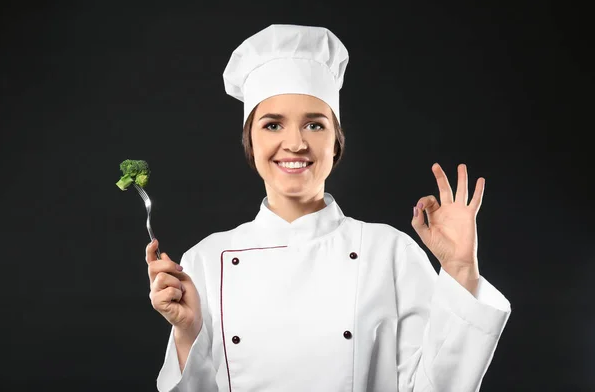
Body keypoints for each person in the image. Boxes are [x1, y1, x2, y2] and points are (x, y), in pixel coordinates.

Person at [146, 24, 511, 392]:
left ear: (335, 144)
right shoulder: (206, 261)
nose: (295, 143)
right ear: (250, 143)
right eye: (272, 125)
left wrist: (461, 270)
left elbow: (436, 387)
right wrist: (187, 335)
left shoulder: (389, 252)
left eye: (314, 125)